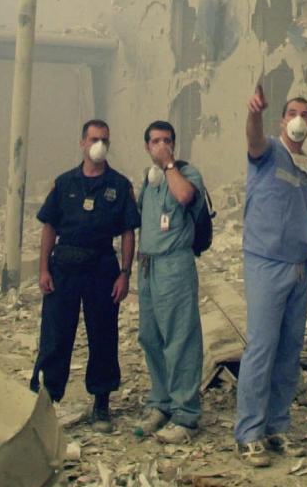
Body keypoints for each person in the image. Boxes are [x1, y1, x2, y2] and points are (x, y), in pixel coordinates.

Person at [30, 119, 139, 431]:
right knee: (55, 334)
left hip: (101, 266)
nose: (99, 144)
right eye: (94, 138)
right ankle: (47, 398)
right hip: (64, 265)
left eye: (104, 139)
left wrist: (124, 274)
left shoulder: (119, 186)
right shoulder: (64, 183)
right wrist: (43, 269)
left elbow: (128, 232)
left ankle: (101, 402)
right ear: (81, 142)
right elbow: (49, 226)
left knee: (103, 334)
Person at [234, 87, 307, 467]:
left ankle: (277, 426)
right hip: (266, 261)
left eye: (306, 114)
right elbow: (252, 138)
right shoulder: (267, 151)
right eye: (293, 113)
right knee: (262, 348)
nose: (299, 119)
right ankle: (249, 433)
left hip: (300, 266)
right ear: (283, 120)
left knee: (288, 352)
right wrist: (254, 113)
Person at [135, 120, 205, 444]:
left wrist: (169, 165)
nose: (161, 145)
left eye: (167, 140)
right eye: (155, 141)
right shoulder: (147, 182)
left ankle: (185, 413)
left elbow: (184, 196)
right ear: (147, 147)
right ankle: (160, 402)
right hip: (148, 266)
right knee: (151, 337)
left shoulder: (185, 174)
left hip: (175, 265)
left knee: (180, 338)